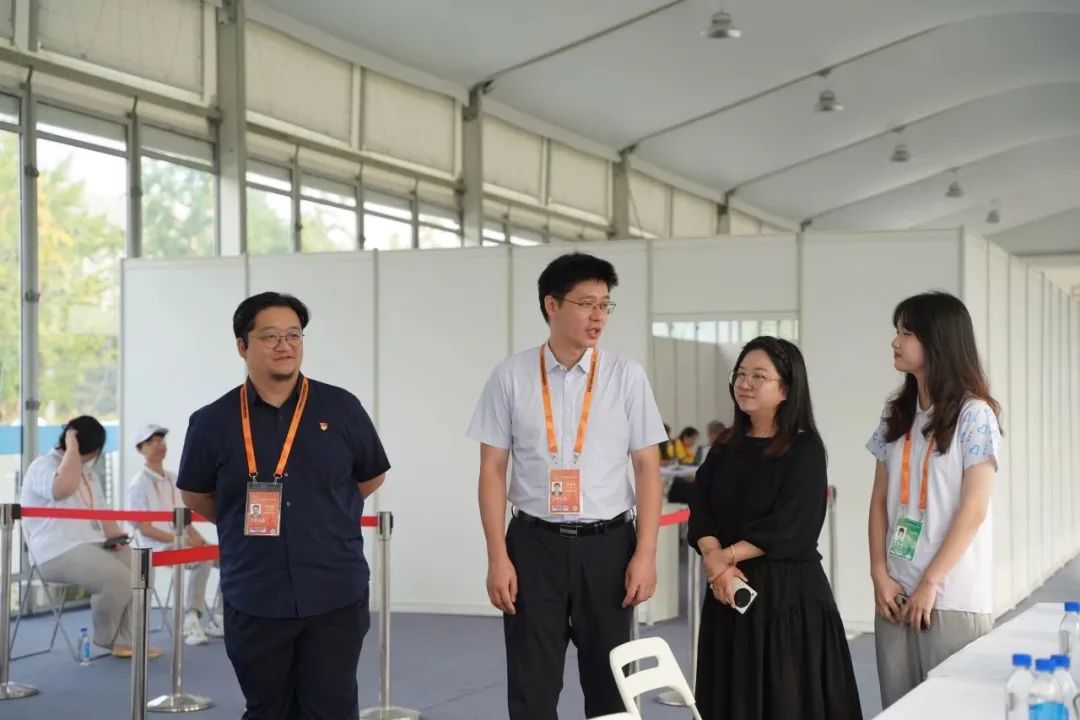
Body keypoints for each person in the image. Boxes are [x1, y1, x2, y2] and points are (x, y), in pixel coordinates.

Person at [469, 252, 666, 720]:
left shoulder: (626, 376)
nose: (598, 316)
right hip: (533, 546)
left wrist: (645, 552)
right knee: (532, 688)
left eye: (605, 305)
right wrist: (497, 556)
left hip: (608, 547)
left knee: (612, 687)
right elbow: (492, 470)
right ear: (552, 305)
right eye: (586, 304)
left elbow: (647, 468)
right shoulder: (511, 376)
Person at [177, 291, 389, 720]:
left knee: (331, 709)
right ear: (242, 346)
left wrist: (322, 514)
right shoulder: (212, 421)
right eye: (270, 336)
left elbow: (370, 476)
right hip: (255, 592)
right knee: (266, 709)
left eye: (294, 335)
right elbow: (196, 495)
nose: (284, 345)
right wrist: (242, 521)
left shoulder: (341, 408)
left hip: (333, 590)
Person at [688, 337, 862, 720]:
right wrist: (716, 559)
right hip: (728, 594)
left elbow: (793, 525)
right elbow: (700, 506)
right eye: (740, 374)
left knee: (785, 701)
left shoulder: (804, 449)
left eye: (759, 376)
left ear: (785, 389)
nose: (745, 384)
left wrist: (725, 557)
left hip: (785, 599)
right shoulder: (725, 446)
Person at [867, 291, 1001, 707]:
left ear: (938, 341)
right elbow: (878, 502)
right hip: (896, 593)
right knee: (898, 708)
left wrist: (931, 582)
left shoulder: (974, 415)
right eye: (897, 331)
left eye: (907, 333)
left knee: (954, 709)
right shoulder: (896, 415)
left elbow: (974, 509)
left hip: (951, 596)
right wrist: (879, 574)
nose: (895, 342)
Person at [20, 416, 163, 659]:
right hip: (55, 551)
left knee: (142, 569)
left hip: (93, 543)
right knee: (119, 579)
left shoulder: (88, 474)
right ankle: (108, 639)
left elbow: (102, 510)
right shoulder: (42, 466)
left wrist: (116, 537)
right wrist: (72, 448)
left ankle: (129, 639)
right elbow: (62, 488)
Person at [127, 423, 223, 646]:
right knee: (202, 558)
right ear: (140, 448)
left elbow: (184, 519)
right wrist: (180, 540)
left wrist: (198, 539)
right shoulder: (138, 485)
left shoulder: (173, 479)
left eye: (160, 440)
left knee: (228, 556)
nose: (158, 444)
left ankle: (221, 617)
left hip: (181, 541)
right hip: (157, 547)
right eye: (151, 441)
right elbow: (144, 528)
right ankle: (191, 619)